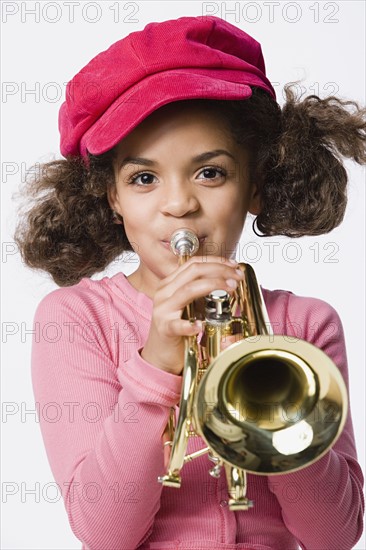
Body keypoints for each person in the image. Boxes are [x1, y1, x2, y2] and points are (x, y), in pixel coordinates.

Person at [13, 14, 365, 550]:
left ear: (256, 185)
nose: (178, 204)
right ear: (112, 199)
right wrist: (155, 367)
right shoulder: (76, 319)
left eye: (211, 172)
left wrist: (274, 398)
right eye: (144, 178)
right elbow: (105, 534)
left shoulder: (305, 325)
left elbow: (334, 535)